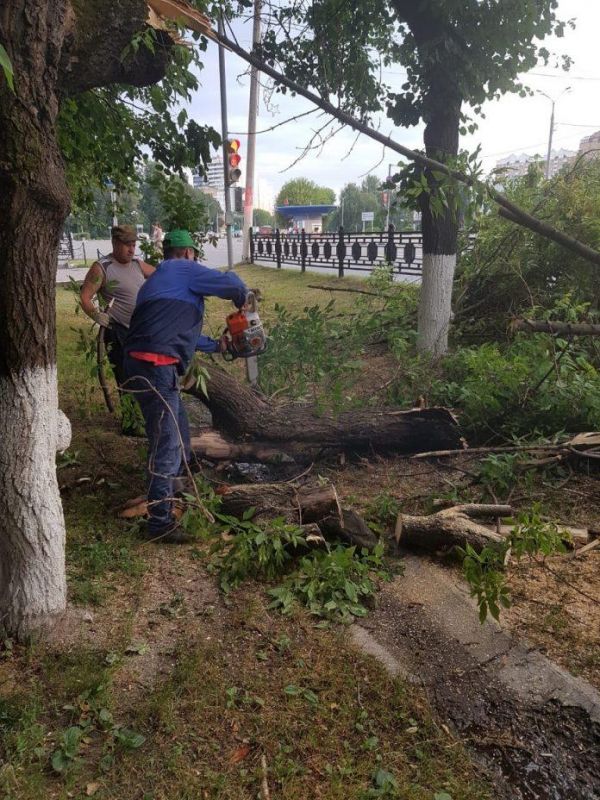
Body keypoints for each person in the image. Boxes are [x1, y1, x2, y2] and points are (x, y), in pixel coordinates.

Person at [123, 229, 248, 543]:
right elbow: (232, 283)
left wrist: (217, 346)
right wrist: (244, 300)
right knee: (168, 441)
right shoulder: (184, 268)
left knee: (175, 430)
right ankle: (159, 523)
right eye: (193, 254)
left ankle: (176, 490)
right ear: (189, 253)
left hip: (138, 362)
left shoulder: (155, 282)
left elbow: (180, 335)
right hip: (156, 364)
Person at [80, 224, 155, 390]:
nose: (131, 250)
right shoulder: (102, 267)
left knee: (146, 376)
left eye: (134, 245)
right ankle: (130, 414)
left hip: (141, 330)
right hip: (118, 333)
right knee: (127, 377)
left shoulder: (137, 264)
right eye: (127, 245)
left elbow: (160, 275)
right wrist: (95, 314)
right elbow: (85, 297)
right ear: (114, 243)